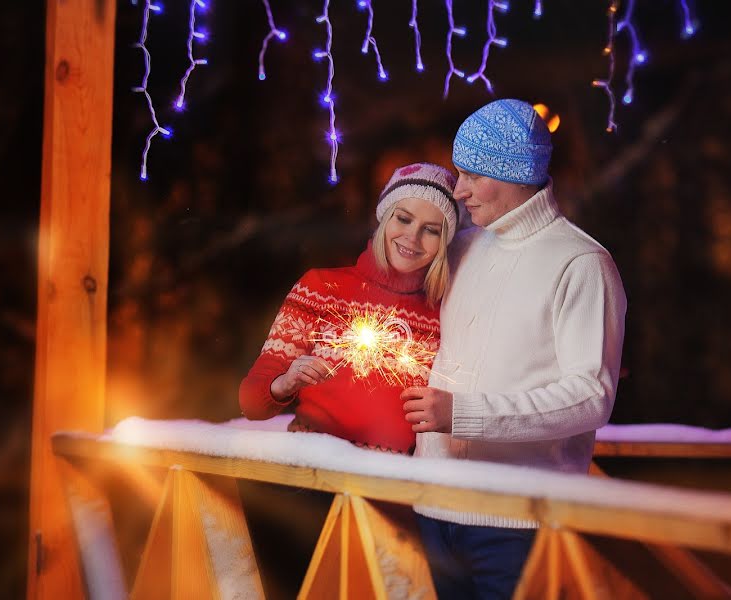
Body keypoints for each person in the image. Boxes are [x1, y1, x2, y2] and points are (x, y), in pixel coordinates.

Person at [401, 99, 627, 597]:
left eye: (472, 176)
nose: (458, 191)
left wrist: (466, 414)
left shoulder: (581, 263)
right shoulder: (460, 247)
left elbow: (591, 396)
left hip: (519, 516)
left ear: (517, 173)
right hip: (434, 505)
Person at [239, 163, 458, 454]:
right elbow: (252, 404)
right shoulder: (320, 288)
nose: (412, 237)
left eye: (430, 230)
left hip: (389, 489)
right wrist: (285, 382)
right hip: (312, 475)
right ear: (384, 217)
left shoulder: (443, 314)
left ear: (443, 243)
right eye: (403, 219)